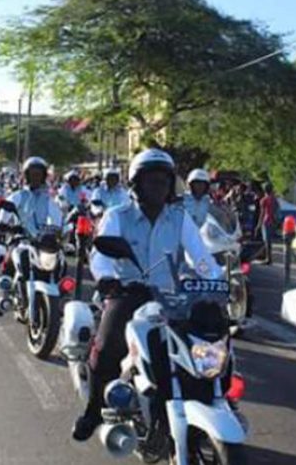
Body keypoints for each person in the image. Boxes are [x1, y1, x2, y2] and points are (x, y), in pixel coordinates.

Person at [72, 148, 221, 442]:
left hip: (172, 297)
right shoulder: (118, 216)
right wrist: (108, 280)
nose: (159, 187)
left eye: (164, 181)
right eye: (151, 180)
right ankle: (93, 410)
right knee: (107, 344)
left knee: (209, 341)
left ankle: (213, 400)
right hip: (128, 293)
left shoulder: (180, 219)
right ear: (137, 184)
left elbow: (201, 258)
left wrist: (216, 282)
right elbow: (100, 256)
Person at [0, 157, 63, 238]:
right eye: (33, 175)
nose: (36, 178)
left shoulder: (48, 200)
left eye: (38, 175)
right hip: (19, 240)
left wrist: (52, 231)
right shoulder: (17, 196)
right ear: (27, 176)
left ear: (43, 177)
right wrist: (10, 228)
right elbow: (2, 220)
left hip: (40, 241)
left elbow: (57, 221)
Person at [257, 183, 279, 265]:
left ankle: (268, 259)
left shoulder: (263, 200)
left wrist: (258, 225)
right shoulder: (274, 199)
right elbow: (276, 210)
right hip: (272, 221)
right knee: (269, 241)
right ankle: (268, 258)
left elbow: (262, 213)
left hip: (266, 221)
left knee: (266, 241)